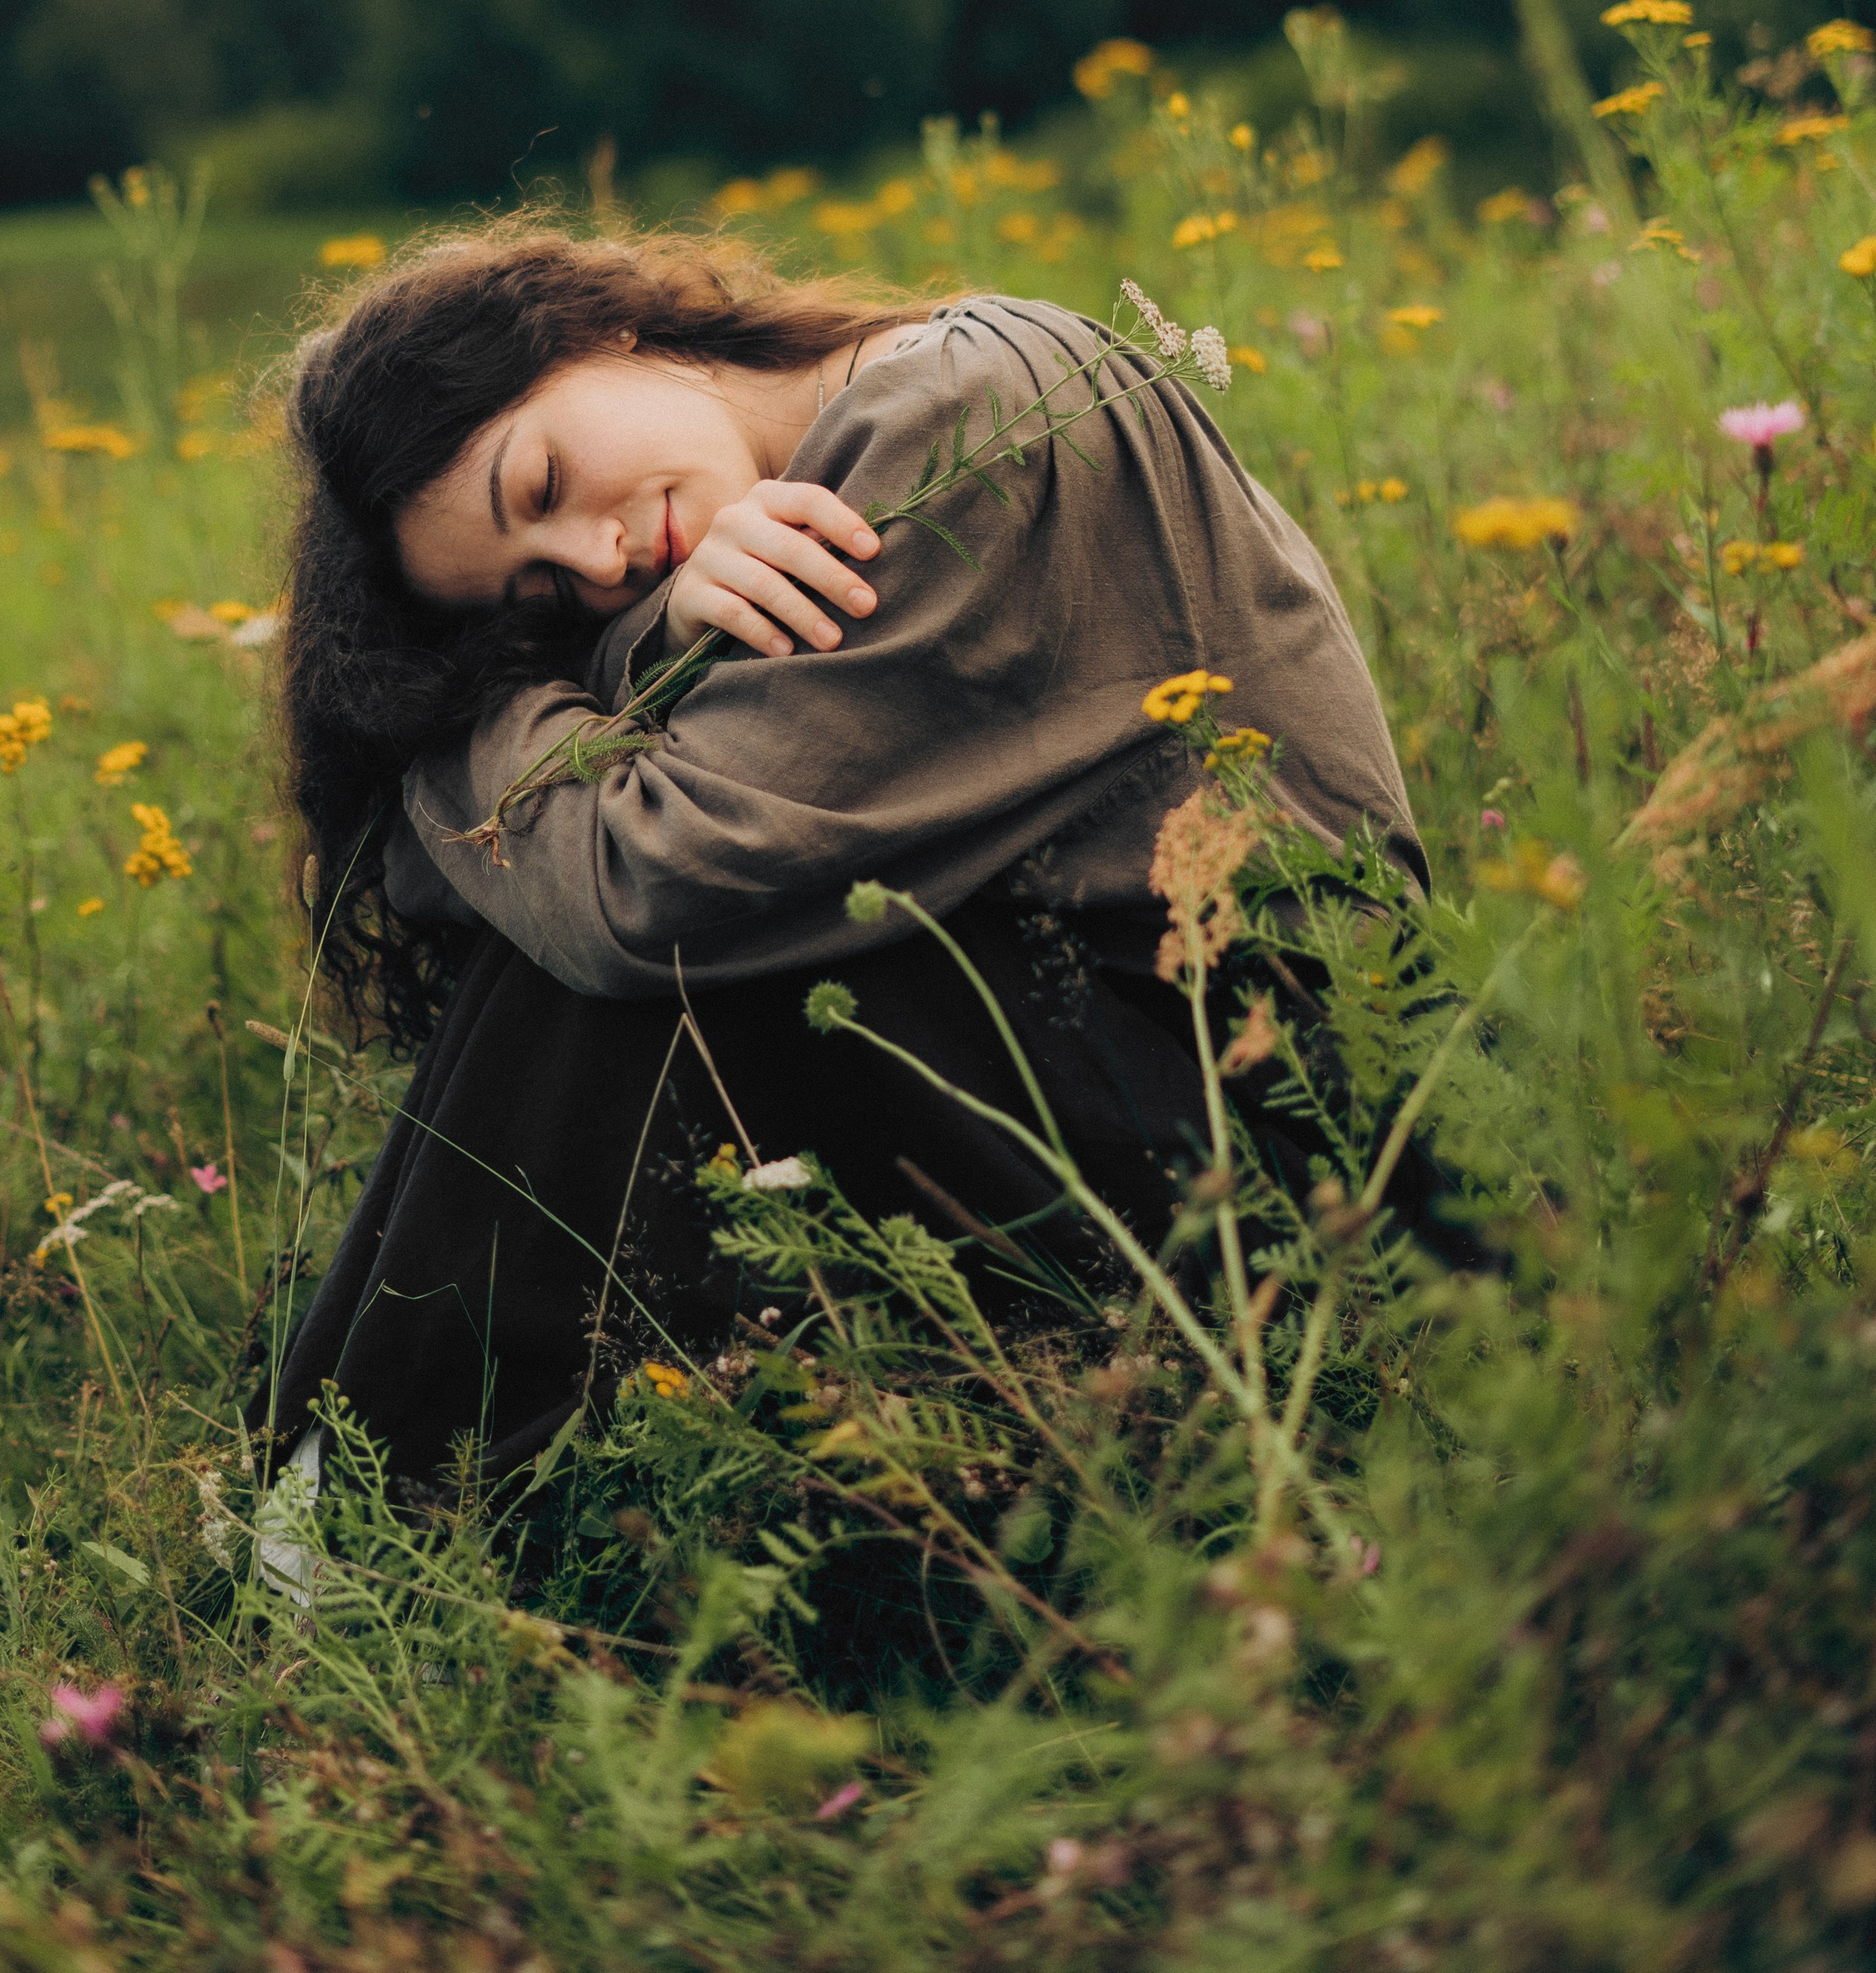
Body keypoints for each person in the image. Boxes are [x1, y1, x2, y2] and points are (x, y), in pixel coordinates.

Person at [265, 220, 1449, 1493]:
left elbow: (646, 883)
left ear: (591, 329)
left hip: (1299, 1147)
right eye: (542, 601)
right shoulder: (809, 484)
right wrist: (635, 647)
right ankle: (395, 1480)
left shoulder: (974, 419)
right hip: (1119, 1090)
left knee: (656, 943)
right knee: (629, 916)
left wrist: (478, 715)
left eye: (542, 484)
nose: (598, 558)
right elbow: (478, 864)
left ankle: (365, 1487)